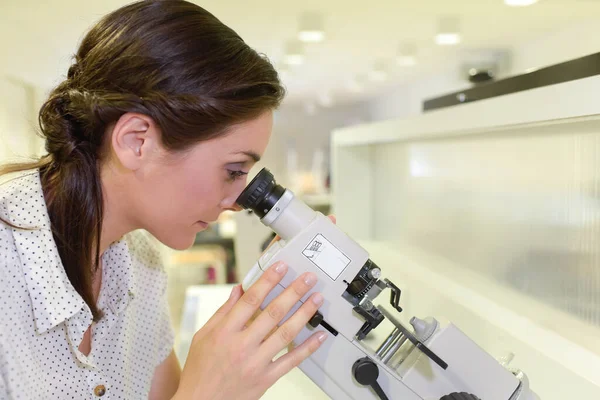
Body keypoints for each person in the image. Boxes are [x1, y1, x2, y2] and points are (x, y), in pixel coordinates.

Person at [0, 1, 330, 398]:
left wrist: (253, 329)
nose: (240, 201)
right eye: (233, 170)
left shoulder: (140, 264)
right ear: (136, 142)